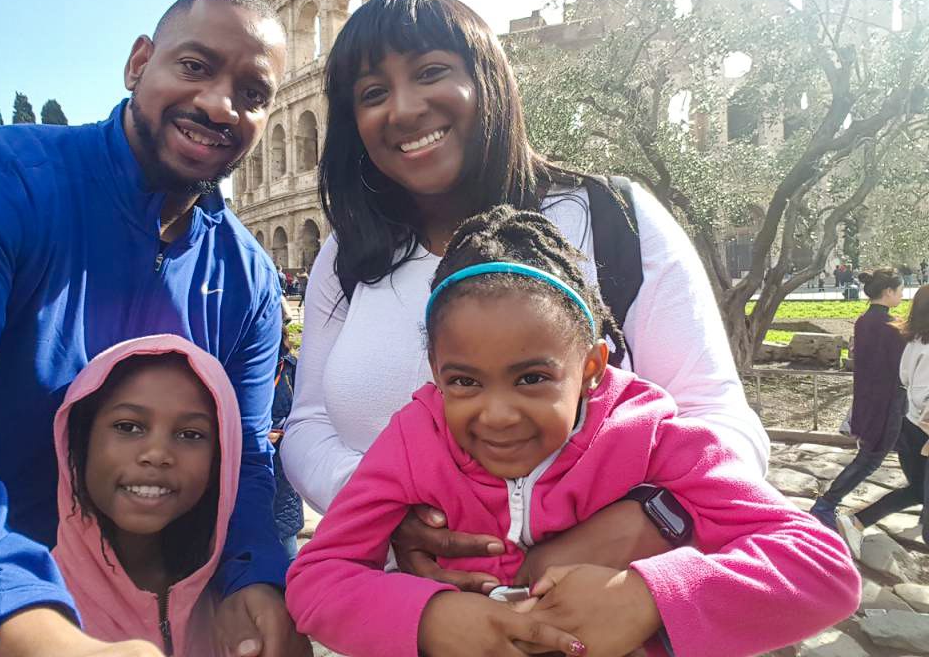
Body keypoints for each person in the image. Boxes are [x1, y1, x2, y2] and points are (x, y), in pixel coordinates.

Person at [282, 0, 769, 590]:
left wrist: (635, 527)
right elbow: (306, 426)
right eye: (372, 93)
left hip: (600, 617)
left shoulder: (611, 216)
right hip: (405, 619)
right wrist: (385, 514)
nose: (403, 109)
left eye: (431, 72)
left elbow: (720, 419)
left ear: (489, 80)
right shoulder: (346, 253)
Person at [0, 0, 310, 657]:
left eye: (253, 93)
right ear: (137, 63)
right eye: (194, 66)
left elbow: (248, 458)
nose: (219, 104)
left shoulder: (249, 281)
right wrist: (17, 628)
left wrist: (255, 578)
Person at [285, 206, 860, 657]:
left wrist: (648, 598)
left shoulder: (659, 439)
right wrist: (430, 617)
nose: (499, 413)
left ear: (590, 367)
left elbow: (820, 567)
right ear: (436, 373)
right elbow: (317, 579)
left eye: (531, 377)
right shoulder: (414, 440)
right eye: (464, 381)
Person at [53, 335, 240, 656]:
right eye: (128, 427)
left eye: (190, 434)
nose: (156, 454)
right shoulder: (34, 606)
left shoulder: (239, 607)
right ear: (80, 442)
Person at [811, 269, 907, 529]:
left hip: (867, 399)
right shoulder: (894, 327)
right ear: (888, 292)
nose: (901, 295)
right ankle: (826, 504)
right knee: (869, 460)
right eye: (899, 290)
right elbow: (903, 369)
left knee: (894, 456)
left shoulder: (863, 322)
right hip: (889, 404)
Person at [836, 284, 929, 552]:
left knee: (916, 490)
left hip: (910, 425)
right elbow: (925, 397)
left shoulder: (912, 342)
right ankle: (851, 519)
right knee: (918, 490)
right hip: (922, 430)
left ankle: (856, 522)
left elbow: (906, 380)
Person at [271, 299, 304, 560]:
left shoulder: (292, 369)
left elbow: (306, 416)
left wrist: (281, 433)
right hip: (252, 463)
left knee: (287, 544)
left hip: (283, 469)